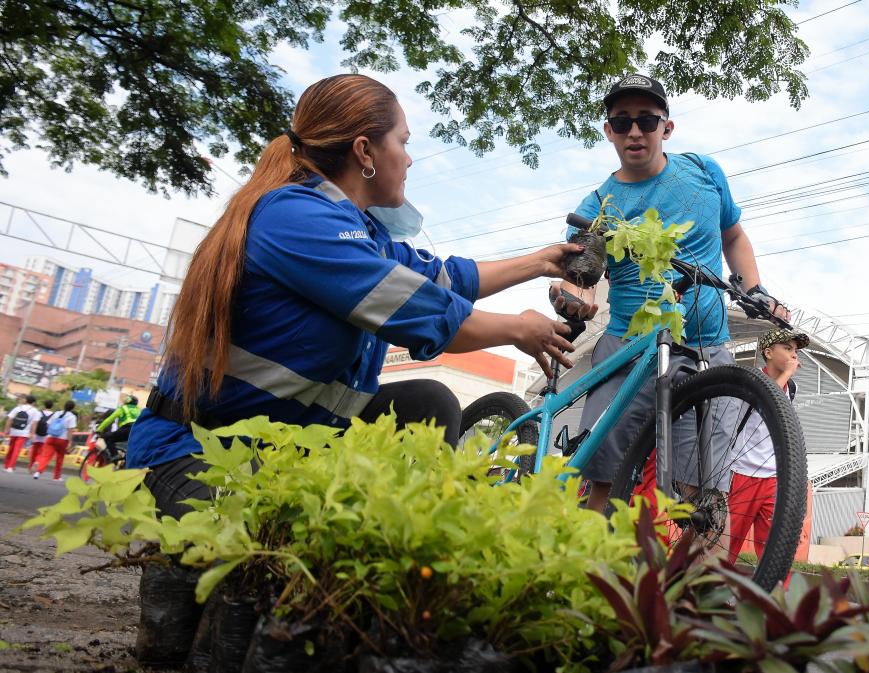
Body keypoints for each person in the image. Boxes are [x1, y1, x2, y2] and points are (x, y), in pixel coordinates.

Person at [127, 73, 594, 522]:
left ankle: (403, 537)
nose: (409, 160)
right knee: (244, 597)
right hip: (199, 455)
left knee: (427, 403)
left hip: (281, 449)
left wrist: (543, 260)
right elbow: (415, 308)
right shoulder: (295, 217)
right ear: (365, 151)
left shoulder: (361, 232)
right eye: (404, 142)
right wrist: (517, 328)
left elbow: (444, 279)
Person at [550, 74, 789, 512]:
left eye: (646, 119)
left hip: (706, 349)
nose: (635, 131)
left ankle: (688, 579)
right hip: (629, 349)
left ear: (667, 127)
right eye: (621, 122)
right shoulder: (598, 206)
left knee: (703, 498)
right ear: (608, 131)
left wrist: (757, 290)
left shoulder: (703, 172)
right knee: (602, 479)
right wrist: (573, 297)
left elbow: (733, 236)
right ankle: (584, 569)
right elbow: (580, 274)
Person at [726, 328, 808, 564]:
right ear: (769, 352)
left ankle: (773, 595)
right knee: (728, 542)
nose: (794, 355)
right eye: (787, 348)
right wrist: (787, 375)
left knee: (775, 546)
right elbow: (766, 400)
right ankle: (711, 590)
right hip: (742, 472)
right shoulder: (752, 378)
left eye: (795, 350)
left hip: (772, 477)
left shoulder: (791, 388)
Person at [34, 399, 76, 481]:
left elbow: (48, 423)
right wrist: (70, 441)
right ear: (72, 408)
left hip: (51, 438)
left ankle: (38, 472)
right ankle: (56, 477)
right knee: (60, 458)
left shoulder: (57, 413)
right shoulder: (72, 416)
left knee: (46, 456)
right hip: (62, 440)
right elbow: (70, 430)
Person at [3, 394, 41, 473]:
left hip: (13, 431)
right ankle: (10, 466)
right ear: (34, 402)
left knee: (11, 448)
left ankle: (6, 465)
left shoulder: (18, 408)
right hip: (24, 433)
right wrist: (32, 433)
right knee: (17, 449)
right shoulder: (35, 411)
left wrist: (6, 429)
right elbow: (34, 423)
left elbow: (9, 419)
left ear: (26, 400)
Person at [96, 394, 140, 461]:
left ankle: (115, 455)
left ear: (127, 401)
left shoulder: (122, 408)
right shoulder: (138, 410)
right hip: (138, 431)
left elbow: (109, 419)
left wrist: (99, 429)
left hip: (127, 429)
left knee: (108, 438)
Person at [27, 399, 54, 472]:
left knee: (34, 451)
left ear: (44, 405)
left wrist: (32, 433)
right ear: (52, 406)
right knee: (42, 452)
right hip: (46, 436)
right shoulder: (53, 415)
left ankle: (30, 467)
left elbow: (35, 423)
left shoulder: (39, 413)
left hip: (37, 435)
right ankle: (37, 461)